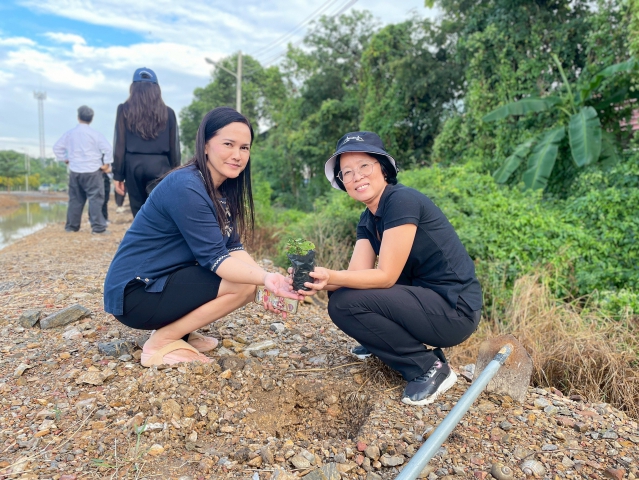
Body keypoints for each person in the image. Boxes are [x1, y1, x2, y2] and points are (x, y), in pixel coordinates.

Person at [104, 107, 304, 367]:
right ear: (206, 145)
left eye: (244, 148)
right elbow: (217, 259)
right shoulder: (186, 186)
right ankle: (162, 341)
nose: (237, 155)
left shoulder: (222, 189)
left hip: (160, 282)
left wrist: (269, 284)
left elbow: (233, 247)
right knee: (243, 286)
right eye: (228, 144)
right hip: (135, 293)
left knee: (250, 283)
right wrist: (265, 279)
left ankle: (180, 331)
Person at [302, 131, 482, 406]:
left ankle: (428, 368)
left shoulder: (401, 201)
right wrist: (312, 279)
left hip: (454, 310)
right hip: (423, 304)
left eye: (364, 166)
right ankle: (382, 341)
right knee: (340, 295)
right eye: (347, 172)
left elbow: (385, 277)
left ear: (384, 168)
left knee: (344, 303)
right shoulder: (368, 218)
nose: (356, 176)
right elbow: (355, 275)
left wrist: (331, 276)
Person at [112, 67, 181, 217]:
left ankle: (141, 232)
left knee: (138, 211)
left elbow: (120, 145)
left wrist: (118, 175)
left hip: (133, 165)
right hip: (160, 165)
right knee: (159, 211)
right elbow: (174, 147)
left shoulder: (123, 110)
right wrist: (176, 173)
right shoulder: (168, 112)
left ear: (133, 88)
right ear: (156, 89)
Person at [53, 105, 112, 234]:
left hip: (75, 170)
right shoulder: (95, 134)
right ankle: (98, 228)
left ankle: (71, 227)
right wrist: (106, 164)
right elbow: (108, 149)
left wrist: (65, 159)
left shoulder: (70, 134)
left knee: (75, 199)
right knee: (95, 199)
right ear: (91, 119)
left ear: (78, 117)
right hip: (93, 170)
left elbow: (57, 147)